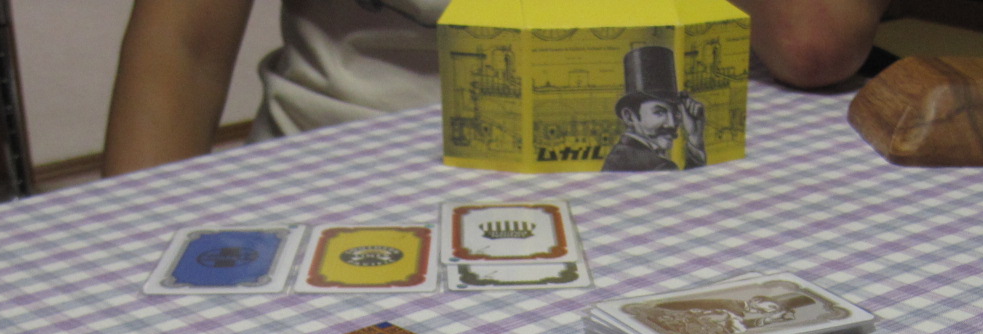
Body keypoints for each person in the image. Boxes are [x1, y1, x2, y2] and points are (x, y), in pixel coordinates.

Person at [102, 0, 890, 177]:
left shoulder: (658, 133)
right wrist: (137, 235)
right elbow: (185, 42)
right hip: (345, 170)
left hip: (656, 192)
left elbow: (812, 39)